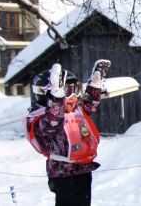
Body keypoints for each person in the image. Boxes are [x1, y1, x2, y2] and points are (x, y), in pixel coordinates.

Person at [25, 61, 109, 206]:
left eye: (76, 90)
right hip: (63, 174)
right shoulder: (42, 118)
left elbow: (90, 104)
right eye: (67, 91)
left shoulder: (75, 110)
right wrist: (56, 98)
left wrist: (95, 83)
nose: (73, 97)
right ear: (48, 94)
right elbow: (52, 122)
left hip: (82, 170)